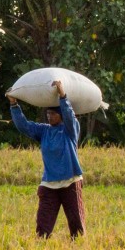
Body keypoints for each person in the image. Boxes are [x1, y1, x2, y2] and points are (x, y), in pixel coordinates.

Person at [9, 78, 85, 238]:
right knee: (43, 226)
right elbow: (24, 126)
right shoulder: (43, 131)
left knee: (76, 224)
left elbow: (70, 116)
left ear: (61, 115)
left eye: (53, 114)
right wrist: (14, 104)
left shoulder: (70, 130)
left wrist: (62, 95)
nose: (49, 117)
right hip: (49, 183)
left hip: (70, 182)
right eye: (48, 113)